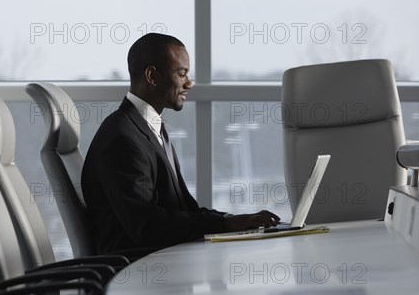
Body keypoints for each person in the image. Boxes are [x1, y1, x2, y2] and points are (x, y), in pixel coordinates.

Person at [81, 33, 280, 255]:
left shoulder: (148, 128)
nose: (189, 83)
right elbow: (147, 226)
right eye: (181, 74)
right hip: (138, 272)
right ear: (152, 76)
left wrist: (230, 220)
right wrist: (225, 225)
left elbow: (183, 208)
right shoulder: (122, 139)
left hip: (162, 259)